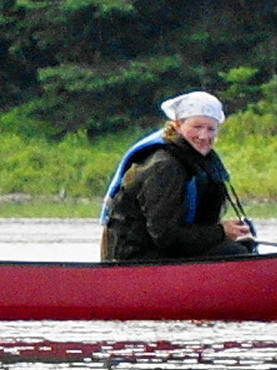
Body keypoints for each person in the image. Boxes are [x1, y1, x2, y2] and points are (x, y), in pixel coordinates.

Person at [101, 90, 258, 263]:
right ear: (177, 125)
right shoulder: (165, 167)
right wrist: (222, 232)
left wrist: (229, 233)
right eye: (197, 127)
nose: (204, 136)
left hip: (161, 250)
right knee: (236, 254)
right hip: (134, 257)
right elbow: (166, 237)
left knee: (243, 247)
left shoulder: (196, 161)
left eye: (210, 129)